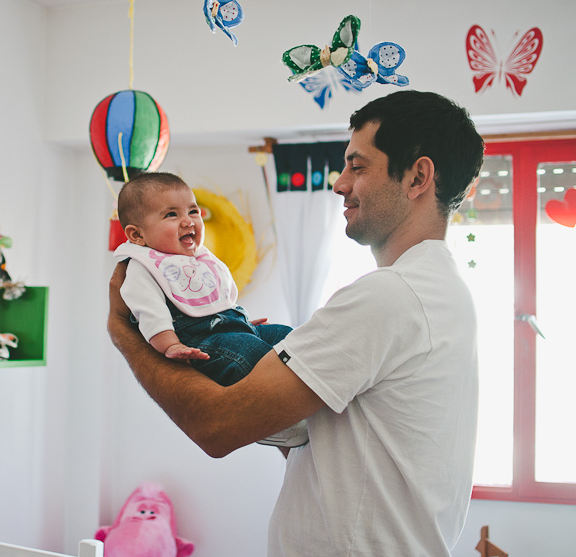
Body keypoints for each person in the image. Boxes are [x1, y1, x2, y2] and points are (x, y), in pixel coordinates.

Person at [107, 90, 484, 556]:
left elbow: (217, 425)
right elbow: (302, 432)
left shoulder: (390, 298)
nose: (340, 183)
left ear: (417, 177)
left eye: (358, 166)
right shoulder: (444, 292)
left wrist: (125, 334)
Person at [114, 171, 307, 447]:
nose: (188, 220)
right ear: (137, 234)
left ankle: (310, 396)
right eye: (171, 215)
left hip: (233, 326)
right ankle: (278, 424)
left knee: (289, 337)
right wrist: (169, 345)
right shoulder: (144, 267)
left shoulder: (199, 258)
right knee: (249, 353)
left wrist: (247, 323)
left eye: (193, 211)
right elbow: (148, 309)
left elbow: (214, 300)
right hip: (201, 340)